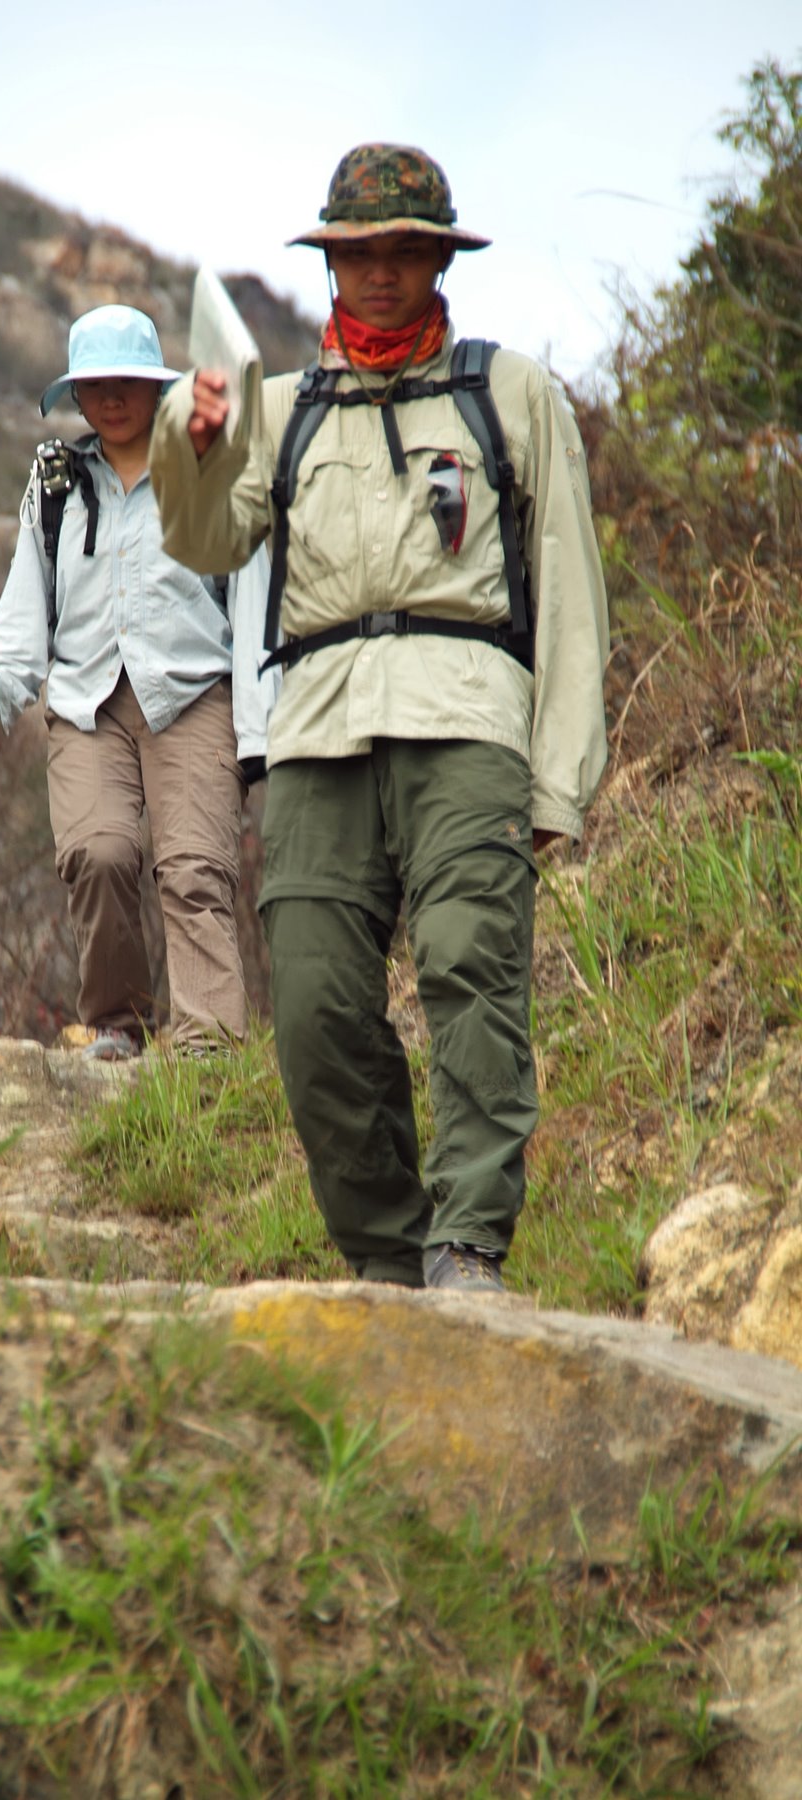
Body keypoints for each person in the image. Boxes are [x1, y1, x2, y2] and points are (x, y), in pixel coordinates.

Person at [149, 145, 609, 1288]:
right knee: (311, 1008)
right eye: (360, 253)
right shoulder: (277, 410)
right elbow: (206, 539)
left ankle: (469, 1243)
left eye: (407, 250)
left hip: (470, 723)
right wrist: (188, 441)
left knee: (470, 968)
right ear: (332, 264)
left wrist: (558, 778)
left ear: (441, 259)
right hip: (318, 733)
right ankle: (388, 1257)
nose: (384, 273)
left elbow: (569, 586)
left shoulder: (510, 394)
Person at [0, 303, 275, 1061]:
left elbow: (252, 595)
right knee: (97, 855)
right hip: (86, 706)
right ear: (76, 394)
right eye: (95, 385)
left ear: (158, 386)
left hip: (196, 699)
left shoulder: (210, 470)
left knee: (195, 869)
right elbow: (28, 602)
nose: (112, 398)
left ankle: (210, 1047)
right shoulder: (56, 485)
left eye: (127, 382)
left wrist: (259, 727)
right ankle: (117, 1027)